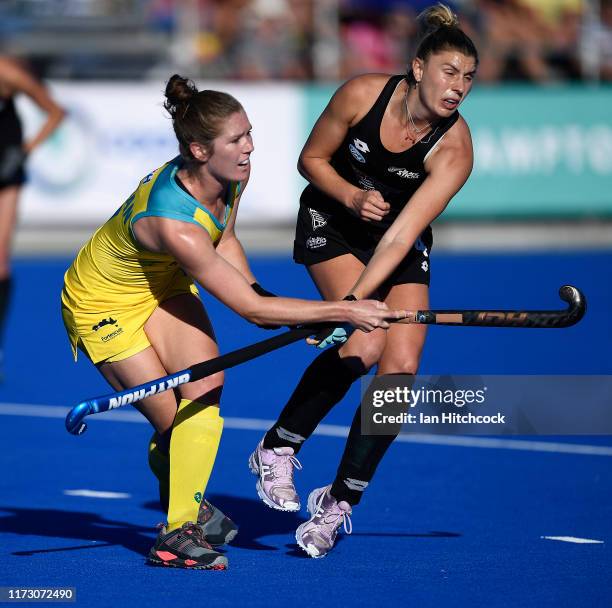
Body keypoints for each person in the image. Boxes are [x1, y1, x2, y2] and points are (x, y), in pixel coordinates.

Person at [60, 75, 404, 571]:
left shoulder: (232, 176)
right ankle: (179, 530)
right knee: (172, 424)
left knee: (205, 387)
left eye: (249, 134)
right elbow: (248, 310)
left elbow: (224, 241)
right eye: (236, 140)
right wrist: (342, 309)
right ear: (199, 150)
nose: (249, 147)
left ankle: (181, 519)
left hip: (161, 286)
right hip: (101, 301)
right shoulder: (173, 223)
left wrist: (265, 295)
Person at [249, 4, 478, 558]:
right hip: (332, 214)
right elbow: (311, 159)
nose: (458, 88)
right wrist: (351, 196)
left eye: (469, 78)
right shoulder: (362, 94)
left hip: (394, 237)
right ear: (418, 67)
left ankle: (341, 501)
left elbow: (401, 239)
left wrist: (357, 299)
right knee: (366, 340)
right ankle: (278, 446)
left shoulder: (454, 149)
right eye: (449, 72)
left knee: (400, 365)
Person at [0, 56, 64, 377]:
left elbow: (55, 112)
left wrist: (25, 150)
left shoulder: (7, 72)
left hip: (5, 171)